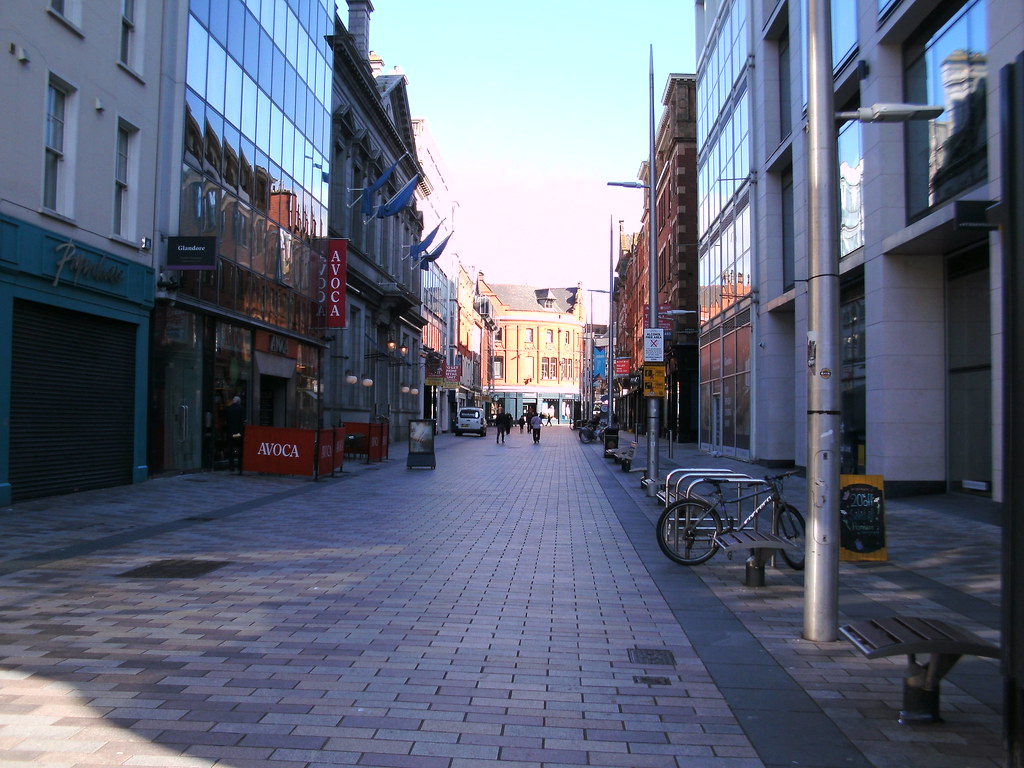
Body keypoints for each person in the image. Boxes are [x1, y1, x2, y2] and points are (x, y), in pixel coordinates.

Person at [225, 395, 245, 473]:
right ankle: (240, 466)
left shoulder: (229, 409)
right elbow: (243, 421)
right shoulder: (241, 409)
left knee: (231, 448)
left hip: (231, 432)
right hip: (238, 433)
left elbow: (227, 419)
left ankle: (231, 466)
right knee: (239, 448)